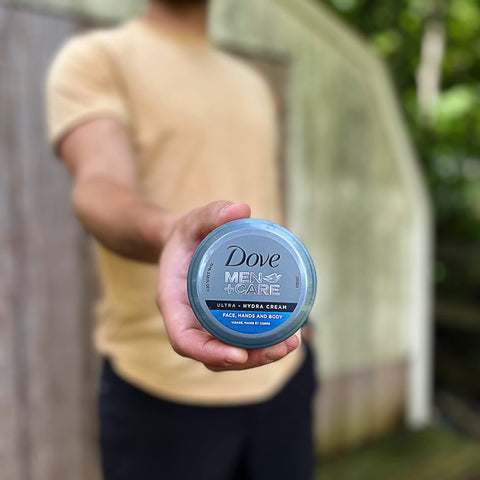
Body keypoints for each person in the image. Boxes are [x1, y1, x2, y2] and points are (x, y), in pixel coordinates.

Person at [46, 0, 316, 479]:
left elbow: (266, 207)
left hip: (284, 379)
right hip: (161, 390)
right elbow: (99, 184)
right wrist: (170, 232)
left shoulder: (252, 83)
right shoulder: (97, 57)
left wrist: (306, 317)